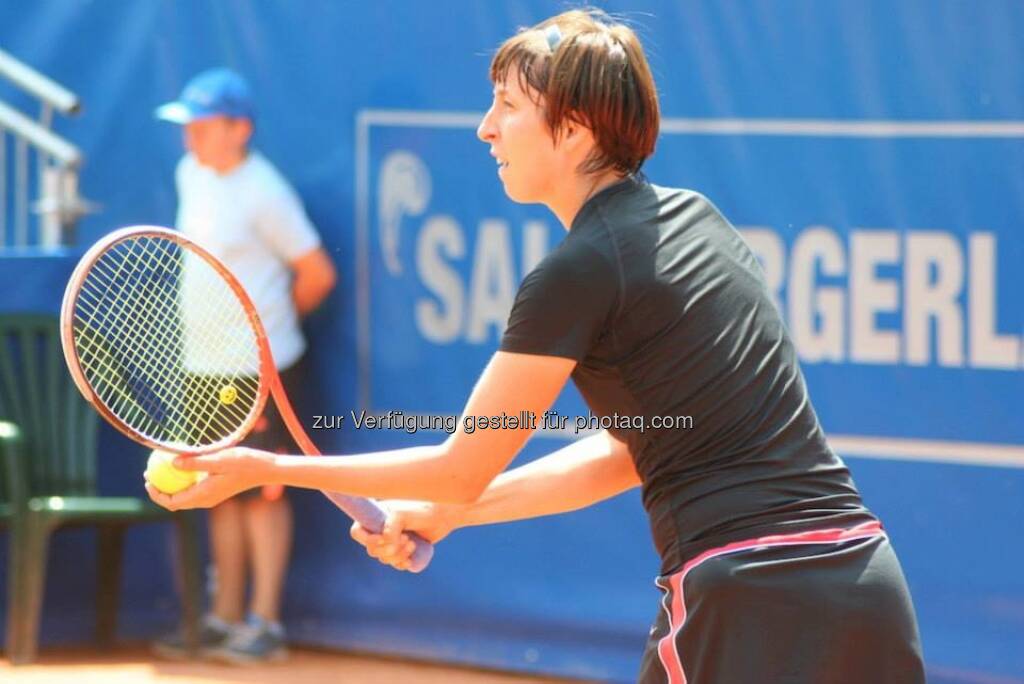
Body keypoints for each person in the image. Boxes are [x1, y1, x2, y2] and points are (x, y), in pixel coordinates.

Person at [146, 14, 925, 682]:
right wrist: (447, 516)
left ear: (575, 130)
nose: (485, 127)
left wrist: (267, 466)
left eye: (508, 106)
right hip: (863, 583)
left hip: (747, 597)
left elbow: (462, 459)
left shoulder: (576, 271)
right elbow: (625, 454)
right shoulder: (699, 221)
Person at [150, 67, 337, 664]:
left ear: (240, 129)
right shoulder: (190, 174)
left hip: (258, 372)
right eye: (188, 127)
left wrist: (268, 337)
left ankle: (265, 623)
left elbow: (317, 274)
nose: (191, 138)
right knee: (217, 492)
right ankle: (222, 618)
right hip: (200, 366)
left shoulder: (265, 190)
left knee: (263, 493)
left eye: (202, 126)